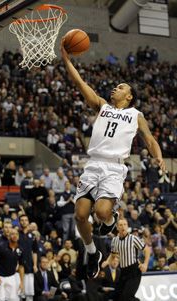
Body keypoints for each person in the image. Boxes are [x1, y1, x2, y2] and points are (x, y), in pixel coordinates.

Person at [60, 39, 166, 279]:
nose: (115, 89)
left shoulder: (135, 115)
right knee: (80, 215)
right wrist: (67, 60)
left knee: (100, 213)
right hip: (93, 164)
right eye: (116, 86)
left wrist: (158, 156)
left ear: (129, 97)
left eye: (120, 87)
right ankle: (93, 253)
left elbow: (149, 140)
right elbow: (79, 82)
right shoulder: (102, 106)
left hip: (113, 168)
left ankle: (112, 216)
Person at [110, 218, 150, 301]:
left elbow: (147, 250)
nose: (123, 227)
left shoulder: (133, 238)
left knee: (127, 297)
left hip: (134, 271)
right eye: (120, 225)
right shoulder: (115, 240)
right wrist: (110, 261)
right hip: (123, 271)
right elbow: (113, 254)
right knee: (117, 297)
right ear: (117, 227)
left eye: (125, 224)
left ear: (127, 226)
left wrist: (145, 264)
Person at [0, 228, 24, 301]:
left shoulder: (20, 249)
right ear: (9, 236)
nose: (15, 236)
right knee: (0, 299)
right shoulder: (0, 246)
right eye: (12, 234)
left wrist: (22, 282)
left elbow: (21, 266)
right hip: (0, 276)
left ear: (18, 236)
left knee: (13, 299)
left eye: (16, 234)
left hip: (12, 277)